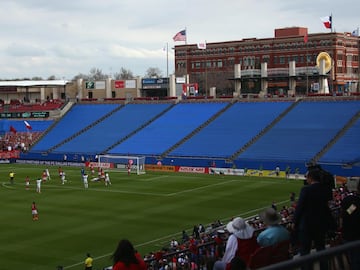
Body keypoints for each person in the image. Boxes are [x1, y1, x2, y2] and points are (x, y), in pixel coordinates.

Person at [292, 167, 335, 270]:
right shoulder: (325, 189)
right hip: (321, 223)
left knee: (305, 251)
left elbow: (300, 207)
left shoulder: (306, 189)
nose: (306, 179)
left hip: (307, 224)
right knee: (321, 248)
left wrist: (294, 222)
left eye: (307, 177)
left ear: (310, 178)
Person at [341, 179, 360, 270]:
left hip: (352, 235)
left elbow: (346, 215)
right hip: (353, 235)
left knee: (354, 259)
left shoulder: (354, 202)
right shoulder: (354, 202)